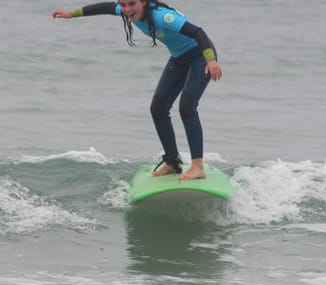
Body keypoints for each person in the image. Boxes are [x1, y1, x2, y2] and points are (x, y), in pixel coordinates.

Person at [52, 0, 222, 180]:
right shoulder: (127, 10)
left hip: (201, 56)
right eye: (123, 5)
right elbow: (104, 7)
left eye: (131, 4)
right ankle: (172, 162)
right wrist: (72, 14)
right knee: (158, 108)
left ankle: (197, 167)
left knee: (187, 107)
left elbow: (198, 32)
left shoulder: (162, 16)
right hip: (179, 58)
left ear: (143, 2)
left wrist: (211, 60)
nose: (127, 9)